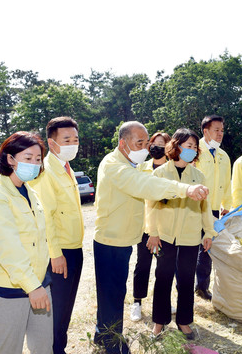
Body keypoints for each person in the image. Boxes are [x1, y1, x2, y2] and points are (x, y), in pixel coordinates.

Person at [93, 121, 209, 354]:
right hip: (110, 239)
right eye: (140, 143)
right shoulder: (115, 165)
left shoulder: (129, 163)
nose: (145, 148)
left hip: (123, 238)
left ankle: (101, 333)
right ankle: (112, 342)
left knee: (113, 293)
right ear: (122, 143)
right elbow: (145, 185)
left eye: (146, 143)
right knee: (112, 294)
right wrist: (184, 189)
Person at [0, 132, 52, 354]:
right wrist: (33, 286)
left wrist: (41, 283)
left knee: (44, 348)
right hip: (8, 291)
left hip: (40, 286)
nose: (35, 164)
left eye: (38, 159)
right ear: (10, 159)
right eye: (28, 158)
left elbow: (39, 238)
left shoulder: (31, 192)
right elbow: (8, 248)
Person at [146, 128, 216, 341]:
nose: (192, 150)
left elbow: (206, 207)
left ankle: (184, 321)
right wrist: (153, 233)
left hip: (190, 236)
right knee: (163, 277)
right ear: (176, 146)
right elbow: (150, 205)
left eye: (195, 147)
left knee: (186, 279)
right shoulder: (160, 173)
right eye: (188, 146)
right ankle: (159, 322)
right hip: (165, 236)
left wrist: (209, 232)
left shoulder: (198, 175)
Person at [30, 116, 84, 354]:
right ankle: (52, 350)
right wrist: (55, 254)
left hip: (75, 248)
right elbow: (46, 217)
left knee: (66, 308)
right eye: (66, 139)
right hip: (59, 253)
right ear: (52, 144)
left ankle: (59, 348)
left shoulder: (66, 168)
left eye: (75, 139)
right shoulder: (46, 171)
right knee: (56, 309)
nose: (73, 143)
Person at [130, 131, 171, 322]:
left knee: (164, 267)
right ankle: (137, 301)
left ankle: (163, 302)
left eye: (161, 144)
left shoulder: (172, 169)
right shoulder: (141, 167)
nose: (156, 147)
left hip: (166, 227)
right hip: (145, 226)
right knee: (143, 263)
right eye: (153, 143)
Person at [193, 115, 231, 301]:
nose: (220, 134)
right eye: (216, 130)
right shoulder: (195, 151)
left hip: (214, 209)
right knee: (190, 247)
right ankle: (183, 285)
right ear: (205, 131)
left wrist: (227, 205)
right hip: (193, 208)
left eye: (222, 130)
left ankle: (202, 286)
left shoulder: (223, 156)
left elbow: (227, 183)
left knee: (207, 249)